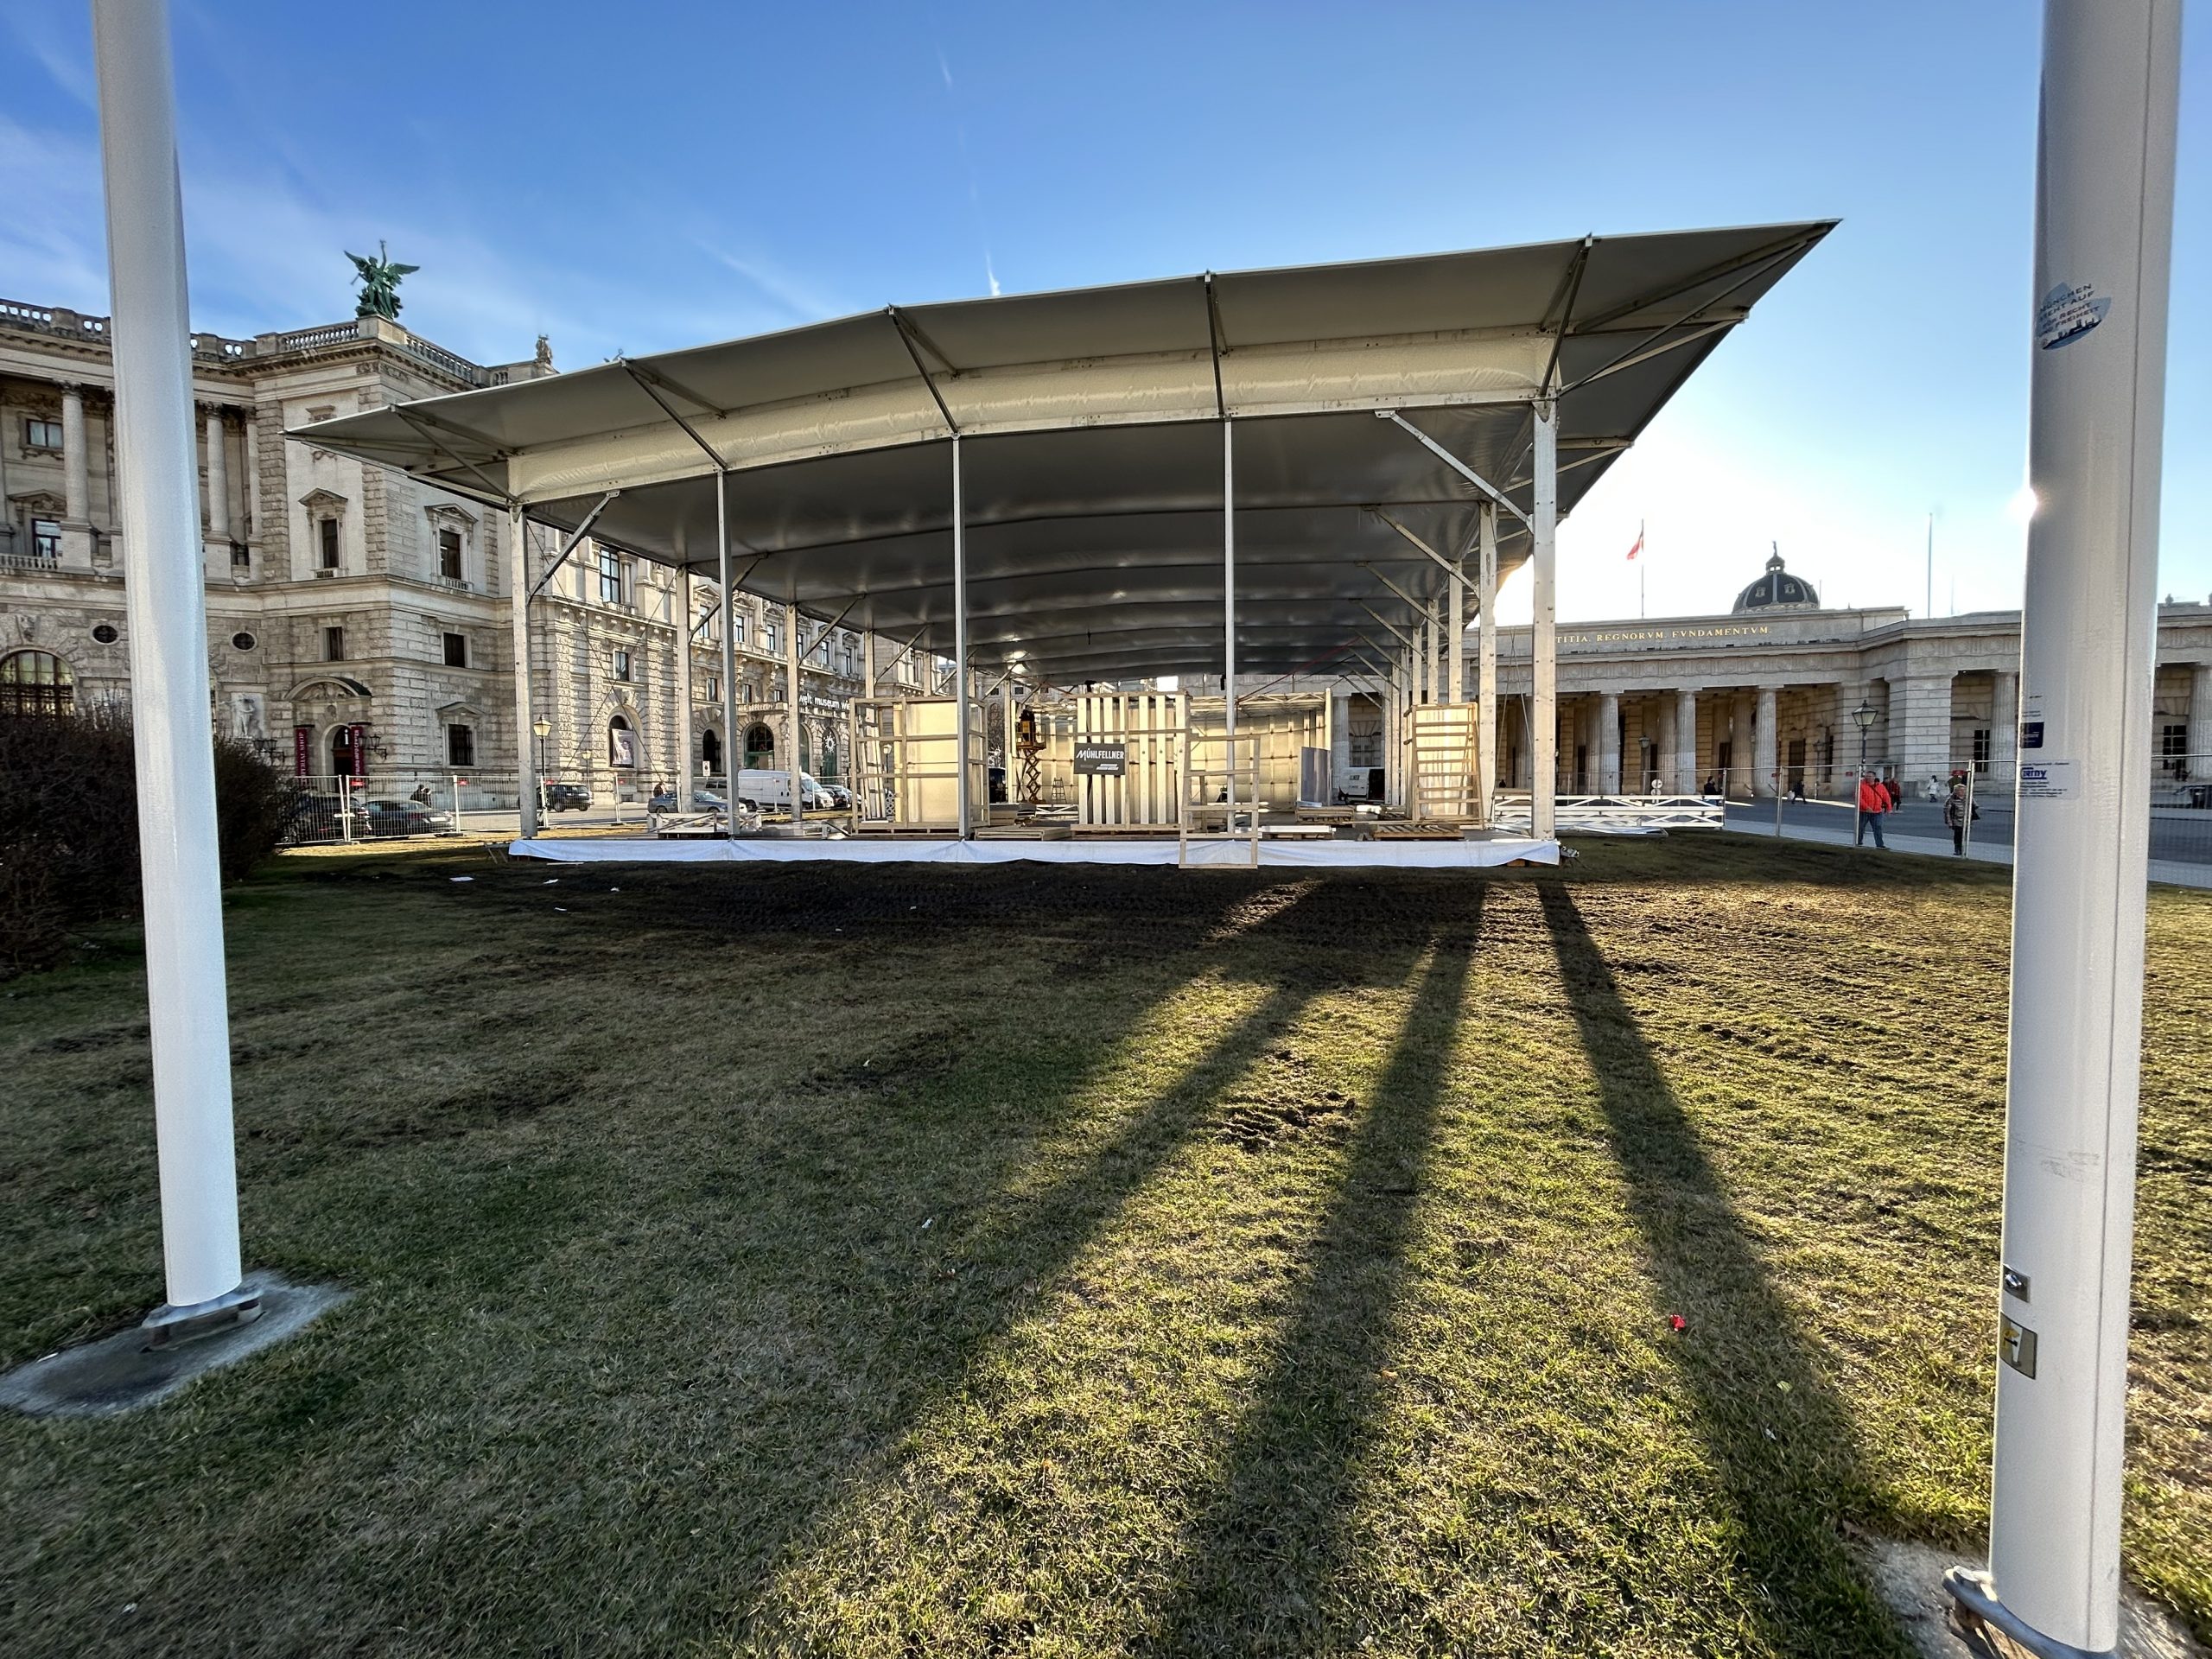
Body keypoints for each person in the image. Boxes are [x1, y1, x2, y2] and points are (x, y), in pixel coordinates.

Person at [1857, 770, 1889, 849]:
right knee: (1860, 828)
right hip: (1864, 811)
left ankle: (1880, 845)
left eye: (1870, 776)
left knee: (1878, 828)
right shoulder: (1861, 785)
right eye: (1866, 776)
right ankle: (1858, 842)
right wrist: (1866, 807)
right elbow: (1858, 798)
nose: (1868, 778)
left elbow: (1886, 797)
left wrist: (1889, 807)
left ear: (1874, 777)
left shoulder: (1880, 786)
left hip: (1877, 811)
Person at [1944, 780, 1970, 855]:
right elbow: (1947, 811)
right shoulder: (1951, 799)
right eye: (1960, 790)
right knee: (1958, 835)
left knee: (1964, 835)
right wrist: (1949, 821)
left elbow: (1975, 806)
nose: (1962, 792)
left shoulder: (1968, 798)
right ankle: (1957, 849)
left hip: (1966, 820)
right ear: (1956, 791)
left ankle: (1962, 849)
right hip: (1956, 820)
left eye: (1963, 790)